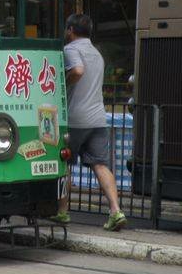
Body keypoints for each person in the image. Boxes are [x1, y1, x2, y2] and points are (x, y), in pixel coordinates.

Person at [52, 13, 127, 231]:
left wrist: (63, 85)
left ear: (70, 30)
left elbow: (77, 70)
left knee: (63, 163)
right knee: (100, 164)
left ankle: (62, 212)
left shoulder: (71, 49)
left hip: (75, 118)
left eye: (67, 29)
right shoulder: (97, 53)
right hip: (97, 118)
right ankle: (115, 211)